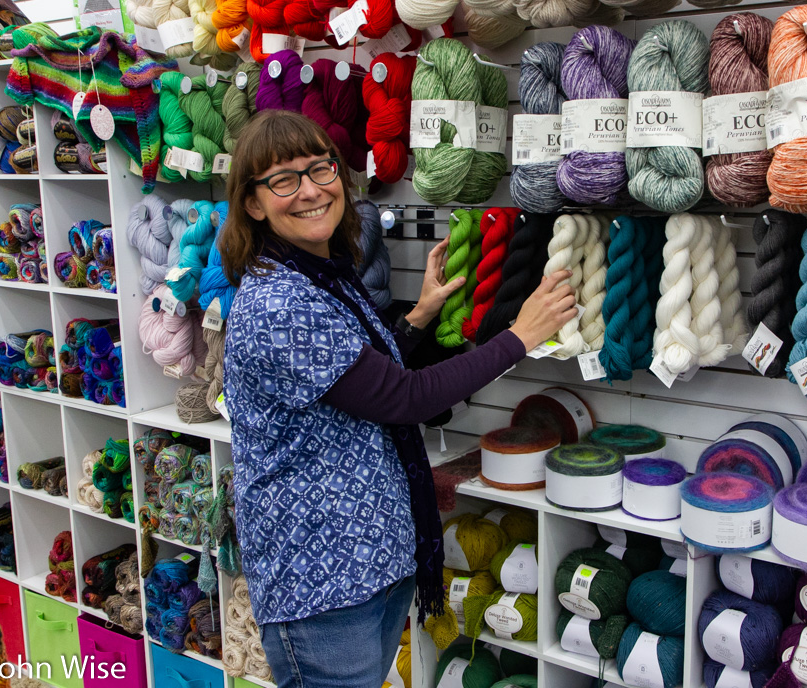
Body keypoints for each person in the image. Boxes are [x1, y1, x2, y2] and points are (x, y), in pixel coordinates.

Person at [219, 109, 577, 688]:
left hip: (371, 563)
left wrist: (420, 315)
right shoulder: (278, 303)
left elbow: (360, 382)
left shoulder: (323, 276)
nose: (310, 190)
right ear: (254, 204)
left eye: (320, 168)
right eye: (283, 179)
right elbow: (403, 397)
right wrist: (521, 336)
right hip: (322, 582)